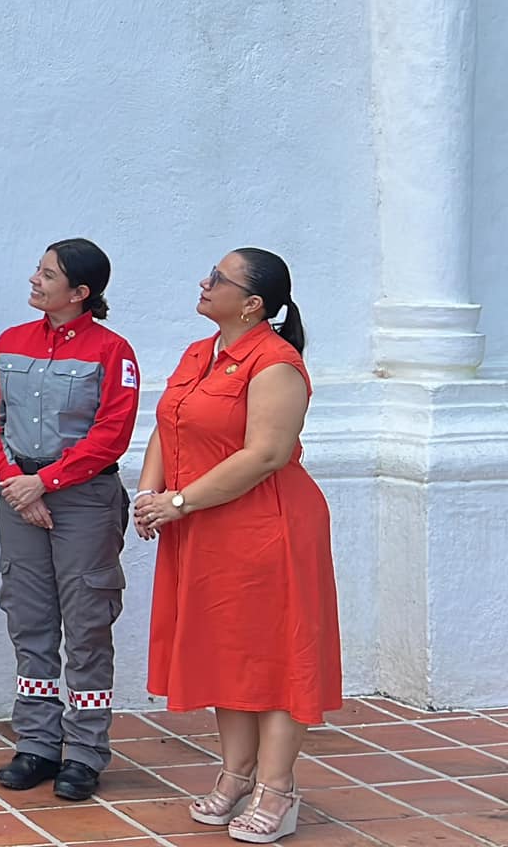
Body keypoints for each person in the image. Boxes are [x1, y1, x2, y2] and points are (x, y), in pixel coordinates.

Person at [135, 248, 338, 844]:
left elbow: (266, 455)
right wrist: (151, 493)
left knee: (277, 657)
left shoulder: (276, 363)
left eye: (218, 279)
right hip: (206, 522)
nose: (204, 282)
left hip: (266, 526)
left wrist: (179, 501)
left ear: (253, 304)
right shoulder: (200, 353)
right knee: (228, 651)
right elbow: (167, 423)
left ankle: (278, 789)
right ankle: (237, 772)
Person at [0, 239, 139, 801]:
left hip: (83, 500)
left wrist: (45, 483)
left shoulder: (112, 351)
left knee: (87, 621)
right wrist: (18, 486)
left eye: (48, 275)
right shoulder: (11, 342)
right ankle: (37, 743)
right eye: (38, 270)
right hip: (18, 492)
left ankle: (86, 750)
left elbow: (111, 433)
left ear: (80, 293)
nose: (35, 280)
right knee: (29, 617)